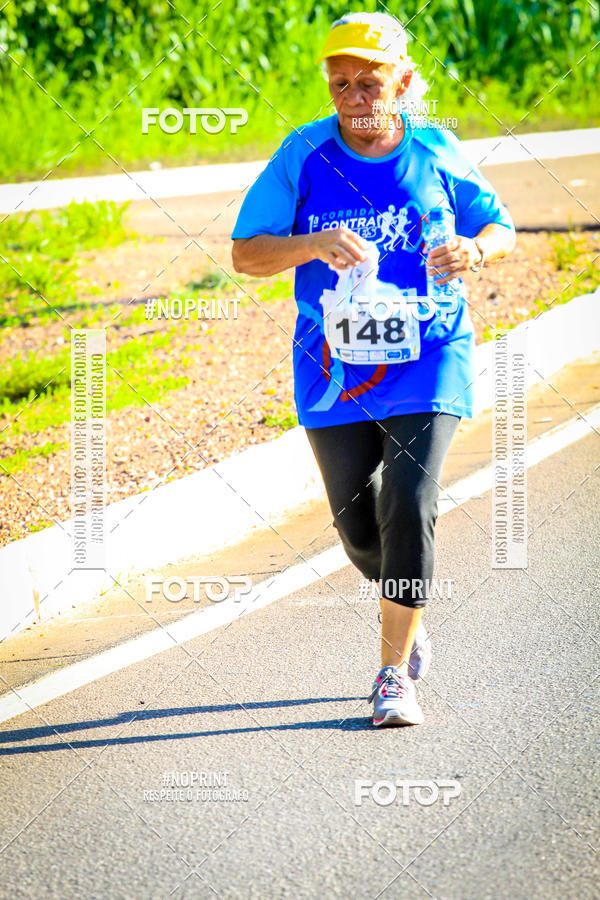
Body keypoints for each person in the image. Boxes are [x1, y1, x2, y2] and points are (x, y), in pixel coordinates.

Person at [231, 12, 516, 726]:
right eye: (340, 85)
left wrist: (476, 250)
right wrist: (313, 242)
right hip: (334, 362)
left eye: (371, 84)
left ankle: (393, 674)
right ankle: (408, 613)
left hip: (430, 351)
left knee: (409, 501)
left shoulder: (437, 148)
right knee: (359, 525)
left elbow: (500, 226)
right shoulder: (303, 154)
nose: (355, 99)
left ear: (405, 83)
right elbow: (246, 252)